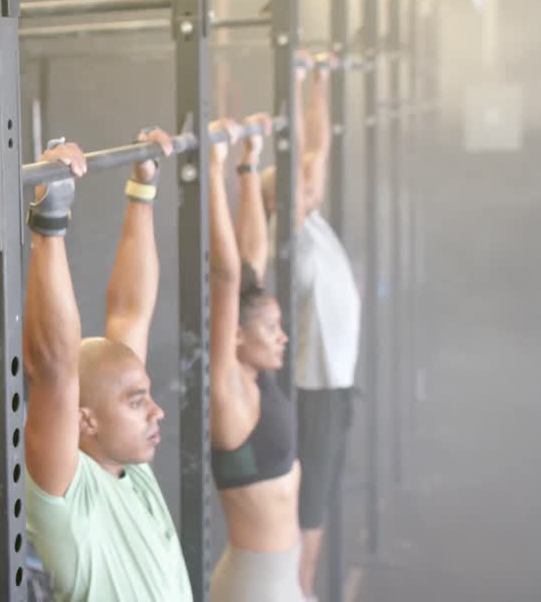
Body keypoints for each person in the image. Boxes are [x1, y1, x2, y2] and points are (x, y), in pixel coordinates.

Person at [22, 132, 193, 602]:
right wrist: (49, 222)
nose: (157, 413)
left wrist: (143, 190)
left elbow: (130, 313)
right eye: (137, 402)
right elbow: (54, 369)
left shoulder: (129, 465)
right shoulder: (68, 497)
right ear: (85, 419)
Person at [261, 59, 361, 599]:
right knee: (306, 531)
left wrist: (319, 81)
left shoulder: (310, 218)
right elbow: (302, 155)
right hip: (313, 395)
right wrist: (292, 78)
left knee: (315, 521)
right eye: (299, 184)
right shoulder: (288, 232)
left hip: (333, 391)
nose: (311, 183)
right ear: (283, 200)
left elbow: (317, 154)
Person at [206, 115, 303, 602]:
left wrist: (248, 167)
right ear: (236, 335)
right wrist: (211, 170)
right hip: (253, 589)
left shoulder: (257, 377)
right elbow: (226, 276)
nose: (282, 338)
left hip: (283, 578)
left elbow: (250, 256)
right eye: (271, 330)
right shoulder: (230, 391)